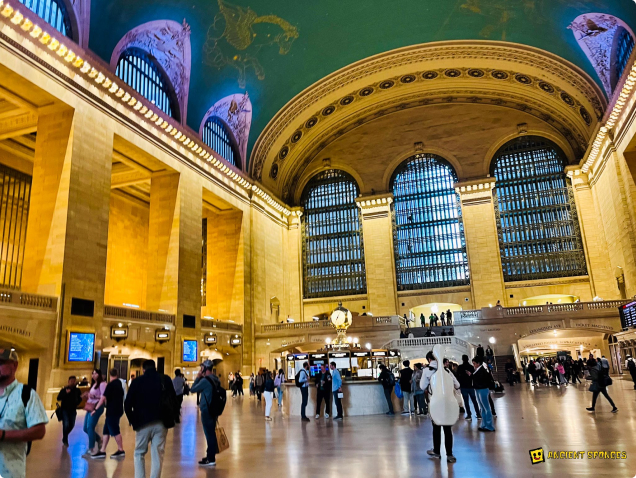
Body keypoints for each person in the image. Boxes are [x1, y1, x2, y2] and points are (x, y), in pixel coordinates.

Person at [125, 359, 178, 477]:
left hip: (142, 422)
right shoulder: (165, 379)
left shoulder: (137, 381)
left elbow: (127, 404)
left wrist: (132, 420)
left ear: (143, 370)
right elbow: (174, 400)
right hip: (161, 421)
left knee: (139, 453)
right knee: (158, 454)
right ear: (155, 368)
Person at [0, 348, 48, 478]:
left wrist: (4, 435)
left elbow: (39, 431)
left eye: (1, 363)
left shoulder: (26, 394)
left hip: (10, 472)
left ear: (14, 365)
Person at [420, 350, 460, 463]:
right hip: (448, 402)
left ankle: (437, 451)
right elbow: (457, 384)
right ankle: (450, 455)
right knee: (448, 429)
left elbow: (422, 386)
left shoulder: (427, 370)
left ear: (428, 359)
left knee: (436, 428)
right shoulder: (446, 370)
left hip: (435, 403)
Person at [190, 360, 221, 466]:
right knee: (211, 432)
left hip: (207, 410)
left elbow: (192, 389)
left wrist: (198, 377)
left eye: (202, 367)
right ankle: (210, 456)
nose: (200, 369)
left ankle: (211, 458)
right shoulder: (216, 379)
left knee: (209, 434)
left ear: (205, 368)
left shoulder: (205, 380)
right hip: (214, 410)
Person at [91, 368, 125, 459]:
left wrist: (95, 409)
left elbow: (103, 398)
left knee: (115, 430)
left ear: (109, 375)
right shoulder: (119, 384)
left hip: (112, 411)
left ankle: (120, 449)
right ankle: (102, 450)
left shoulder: (110, 385)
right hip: (118, 409)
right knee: (106, 430)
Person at [83, 369, 106, 455]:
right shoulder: (94, 384)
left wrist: (93, 396)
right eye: (92, 373)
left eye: (95, 373)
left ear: (99, 374)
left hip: (97, 407)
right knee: (85, 428)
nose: (93, 375)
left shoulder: (102, 384)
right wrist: (87, 396)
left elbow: (103, 397)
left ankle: (91, 448)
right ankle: (99, 439)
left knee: (90, 427)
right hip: (90, 406)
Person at [472, 356, 495, 432]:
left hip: (482, 389)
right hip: (479, 389)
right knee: (482, 407)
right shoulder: (480, 370)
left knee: (486, 407)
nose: (474, 365)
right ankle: (484, 424)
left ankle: (489, 425)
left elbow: (483, 381)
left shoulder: (482, 371)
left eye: (474, 363)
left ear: (478, 363)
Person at [57, 376, 82, 446]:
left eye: (74, 381)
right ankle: (65, 439)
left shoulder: (77, 390)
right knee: (66, 424)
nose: (73, 382)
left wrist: (77, 403)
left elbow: (80, 399)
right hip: (65, 409)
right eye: (71, 381)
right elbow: (58, 398)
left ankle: (65, 436)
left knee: (72, 424)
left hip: (73, 410)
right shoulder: (64, 389)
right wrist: (65, 393)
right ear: (68, 381)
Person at [456, 355, 481, 421]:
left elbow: (457, 376)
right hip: (471, 386)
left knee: (466, 401)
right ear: (468, 359)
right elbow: (474, 376)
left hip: (463, 386)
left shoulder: (460, 367)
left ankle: (469, 415)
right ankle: (478, 414)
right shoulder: (471, 367)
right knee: (474, 401)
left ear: (462, 359)